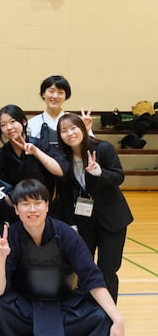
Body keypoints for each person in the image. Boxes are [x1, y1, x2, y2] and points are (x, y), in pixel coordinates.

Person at [0, 179, 126, 336]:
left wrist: (117, 318)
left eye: (37, 203)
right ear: (16, 209)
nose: (32, 209)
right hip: (24, 306)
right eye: (25, 204)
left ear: (47, 206)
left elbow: (93, 279)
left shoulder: (67, 234)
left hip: (64, 304)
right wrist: (0, 258)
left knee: (101, 316)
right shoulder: (10, 235)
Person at [55, 113, 133, 302]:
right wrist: (71, 224)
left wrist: (100, 172)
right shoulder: (63, 158)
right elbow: (64, 196)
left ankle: (108, 312)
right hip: (84, 220)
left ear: (82, 128)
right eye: (64, 130)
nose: (70, 133)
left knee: (108, 269)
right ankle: (87, 309)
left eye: (73, 128)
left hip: (112, 219)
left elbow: (118, 177)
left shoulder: (103, 148)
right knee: (83, 266)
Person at [0, 104, 68, 205]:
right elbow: (2, 191)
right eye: (3, 125)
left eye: (13, 121)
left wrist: (36, 152)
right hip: (17, 207)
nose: (9, 127)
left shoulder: (41, 145)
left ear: (24, 122)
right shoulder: (0, 156)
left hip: (44, 205)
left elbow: (60, 171)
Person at [27, 75, 72, 146]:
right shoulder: (32, 124)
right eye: (51, 91)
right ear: (43, 94)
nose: (55, 96)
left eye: (60, 92)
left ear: (66, 96)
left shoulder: (76, 121)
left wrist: (86, 129)